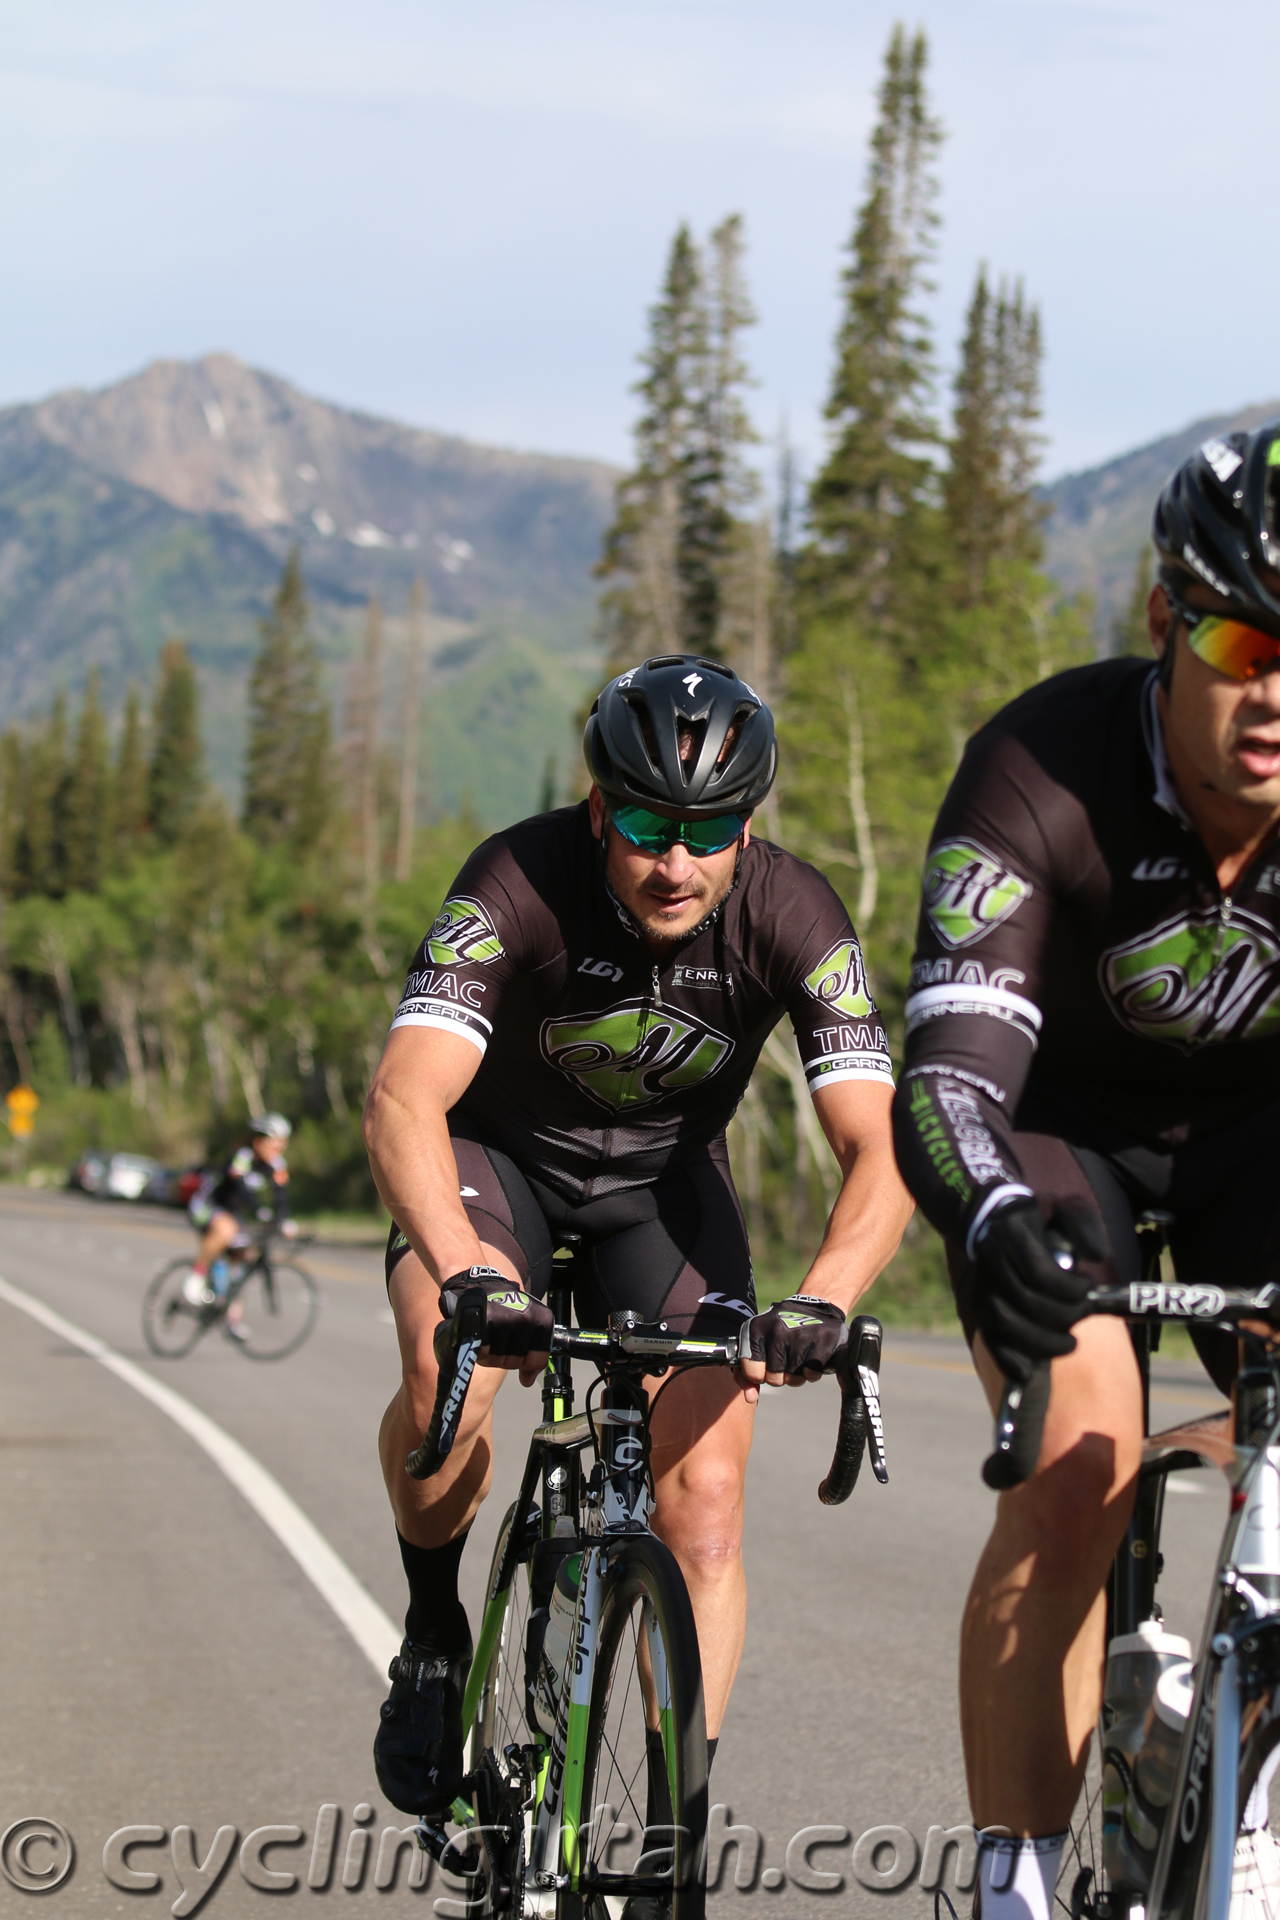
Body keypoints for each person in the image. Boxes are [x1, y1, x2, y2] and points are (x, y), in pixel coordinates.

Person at [363, 653, 914, 1821]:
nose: (675, 863)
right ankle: (433, 1633)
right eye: (648, 825)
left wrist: (820, 1298)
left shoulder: (793, 913)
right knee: (447, 1382)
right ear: (598, 806)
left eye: (706, 831)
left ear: (745, 824)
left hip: (661, 1190)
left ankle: (677, 1821)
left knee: (702, 1505)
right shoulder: (514, 878)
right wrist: (465, 1275)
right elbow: (405, 1098)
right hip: (494, 1168)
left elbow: (880, 1146)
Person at [891, 421, 1280, 1920]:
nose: (1273, 693)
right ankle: (1016, 1887)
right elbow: (950, 1076)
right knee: (1078, 1467)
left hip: (1258, 1146)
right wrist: (991, 1210)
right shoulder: (1037, 768)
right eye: (1244, 642)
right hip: (1059, 1138)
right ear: (1165, 619)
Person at [183, 1113, 297, 1336]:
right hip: (207, 1205)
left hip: (232, 1213)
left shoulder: (277, 1164)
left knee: (246, 1257)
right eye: (275, 1143)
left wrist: (284, 1220)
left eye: (282, 1144)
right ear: (259, 1141)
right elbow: (239, 1187)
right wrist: (260, 1211)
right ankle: (196, 1275)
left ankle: (230, 1314)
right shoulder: (242, 1156)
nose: (280, 1148)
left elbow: (281, 1196)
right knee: (226, 1230)